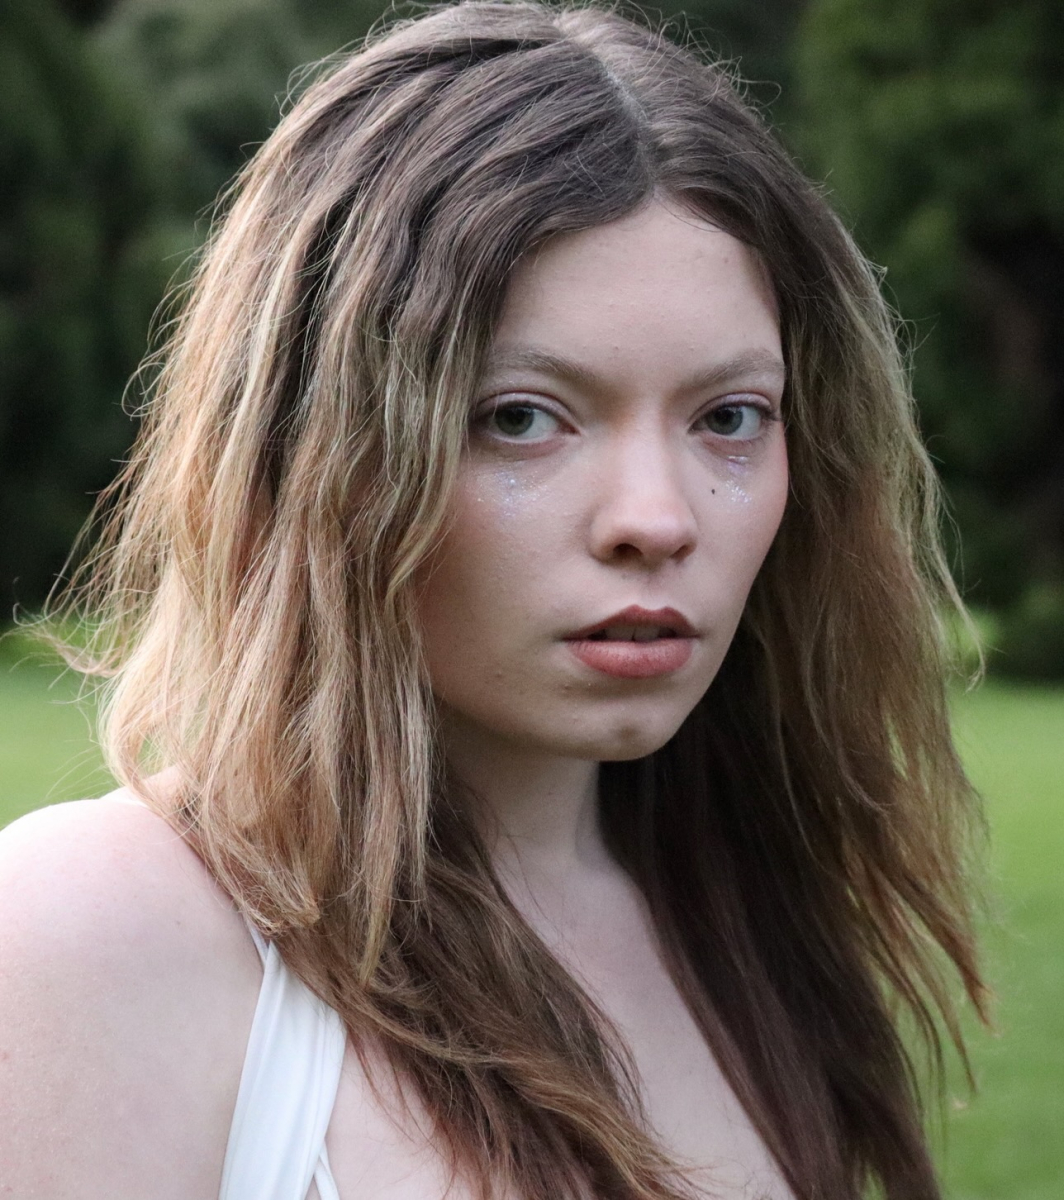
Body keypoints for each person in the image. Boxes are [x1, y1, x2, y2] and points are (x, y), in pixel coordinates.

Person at [0, 3, 987, 1198]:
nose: (656, 519)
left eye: (727, 417)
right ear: (314, 448)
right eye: (521, 417)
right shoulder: (92, 932)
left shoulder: (741, 923)